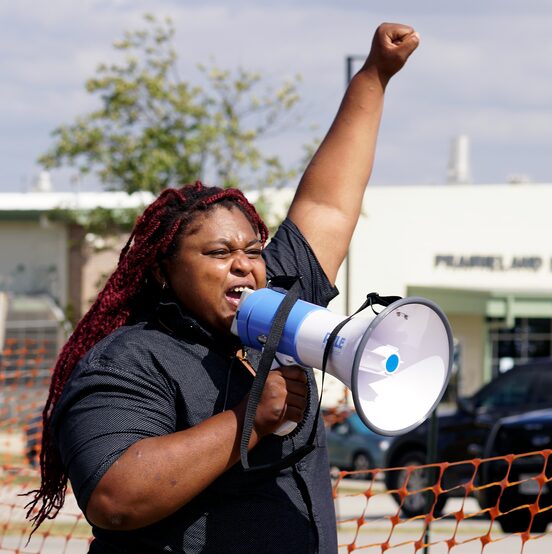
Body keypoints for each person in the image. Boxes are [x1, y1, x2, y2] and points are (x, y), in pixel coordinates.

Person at [26, 22, 420, 553]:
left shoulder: (280, 314)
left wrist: (374, 76)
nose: (244, 266)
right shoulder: (130, 359)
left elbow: (327, 206)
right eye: (218, 254)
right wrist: (254, 418)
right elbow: (116, 499)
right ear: (165, 270)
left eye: (252, 251)